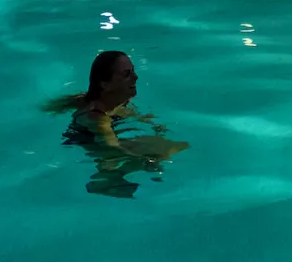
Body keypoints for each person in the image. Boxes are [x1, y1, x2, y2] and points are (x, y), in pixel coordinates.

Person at [42, 50, 187, 197]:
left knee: (163, 146)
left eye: (133, 71)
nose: (135, 77)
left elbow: (125, 111)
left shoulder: (112, 100)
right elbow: (111, 146)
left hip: (100, 136)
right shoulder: (97, 117)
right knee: (162, 148)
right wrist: (146, 161)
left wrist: (149, 121)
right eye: (126, 74)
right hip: (88, 139)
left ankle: (108, 178)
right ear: (105, 84)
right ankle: (104, 179)